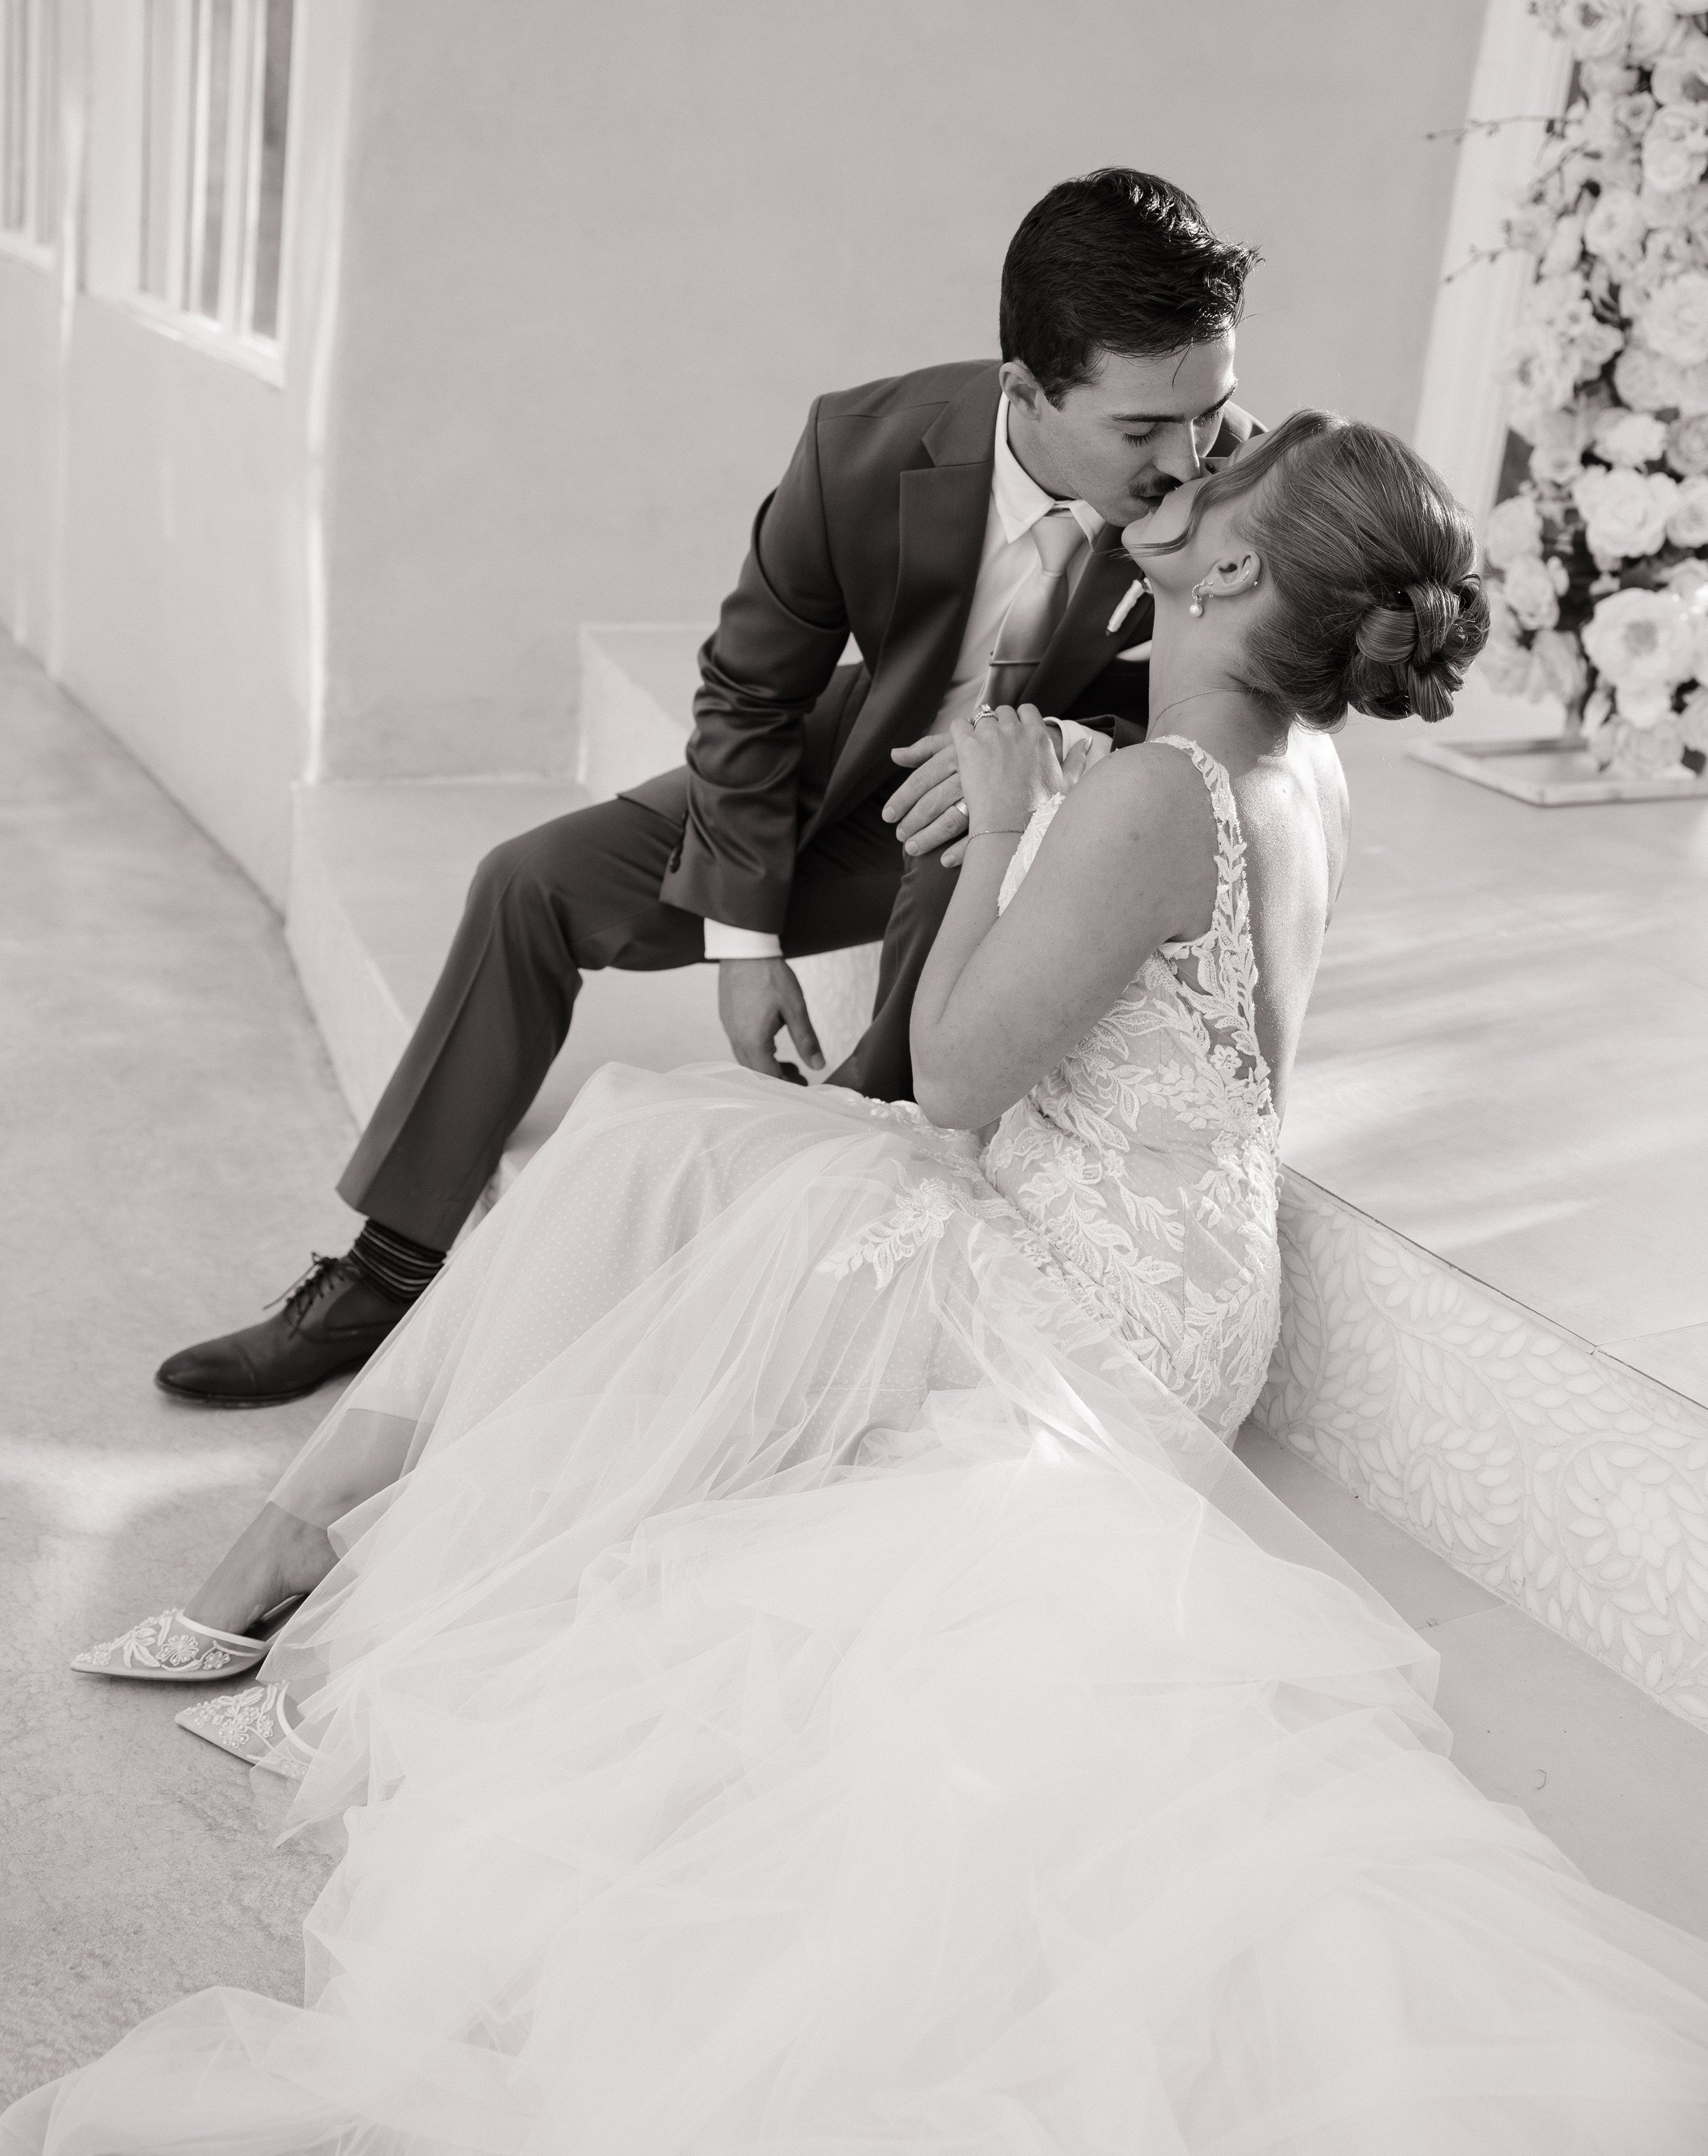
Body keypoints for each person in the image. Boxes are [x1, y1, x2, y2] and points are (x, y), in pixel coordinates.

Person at [35, 415, 1708, 2155]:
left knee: (675, 1161)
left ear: (1227, 568)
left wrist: (1007, 829)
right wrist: (1062, 792)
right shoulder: (1285, 768)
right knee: (684, 1155)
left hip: (1094, 1300)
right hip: (1190, 1265)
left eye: (1223, 471)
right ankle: (333, 1542)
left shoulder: (1152, 795)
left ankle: (329, 1560)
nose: (1186, 470)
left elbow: (962, 1082)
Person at [154, 166, 1263, 1407]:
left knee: (933, 925)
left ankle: (769, 1318)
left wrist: (1047, 749)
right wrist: (745, 939)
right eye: (1143, 431)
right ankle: (388, 1269)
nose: (1191, 460)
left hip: (1022, 833)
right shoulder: (863, 446)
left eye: (1211, 411)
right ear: (1025, 390)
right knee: (528, 884)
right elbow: (750, 688)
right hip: (853, 769)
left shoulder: (1238, 495)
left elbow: (1234, 721)